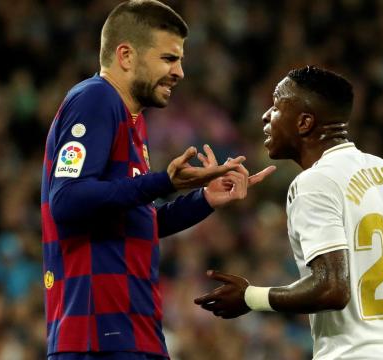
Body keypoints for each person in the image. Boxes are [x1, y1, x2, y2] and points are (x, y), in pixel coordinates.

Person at [40, 1, 274, 359]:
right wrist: (163, 182)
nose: (180, 72)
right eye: (168, 59)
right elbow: (66, 200)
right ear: (126, 55)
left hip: (132, 331)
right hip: (97, 335)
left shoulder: (133, 121)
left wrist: (204, 199)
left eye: (179, 60)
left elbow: (135, 220)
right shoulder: (96, 99)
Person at [194, 66, 383, 359]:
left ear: (305, 122)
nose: (266, 115)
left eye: (277, 105)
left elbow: (332, 288)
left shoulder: (314, 183)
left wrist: (249, 297)